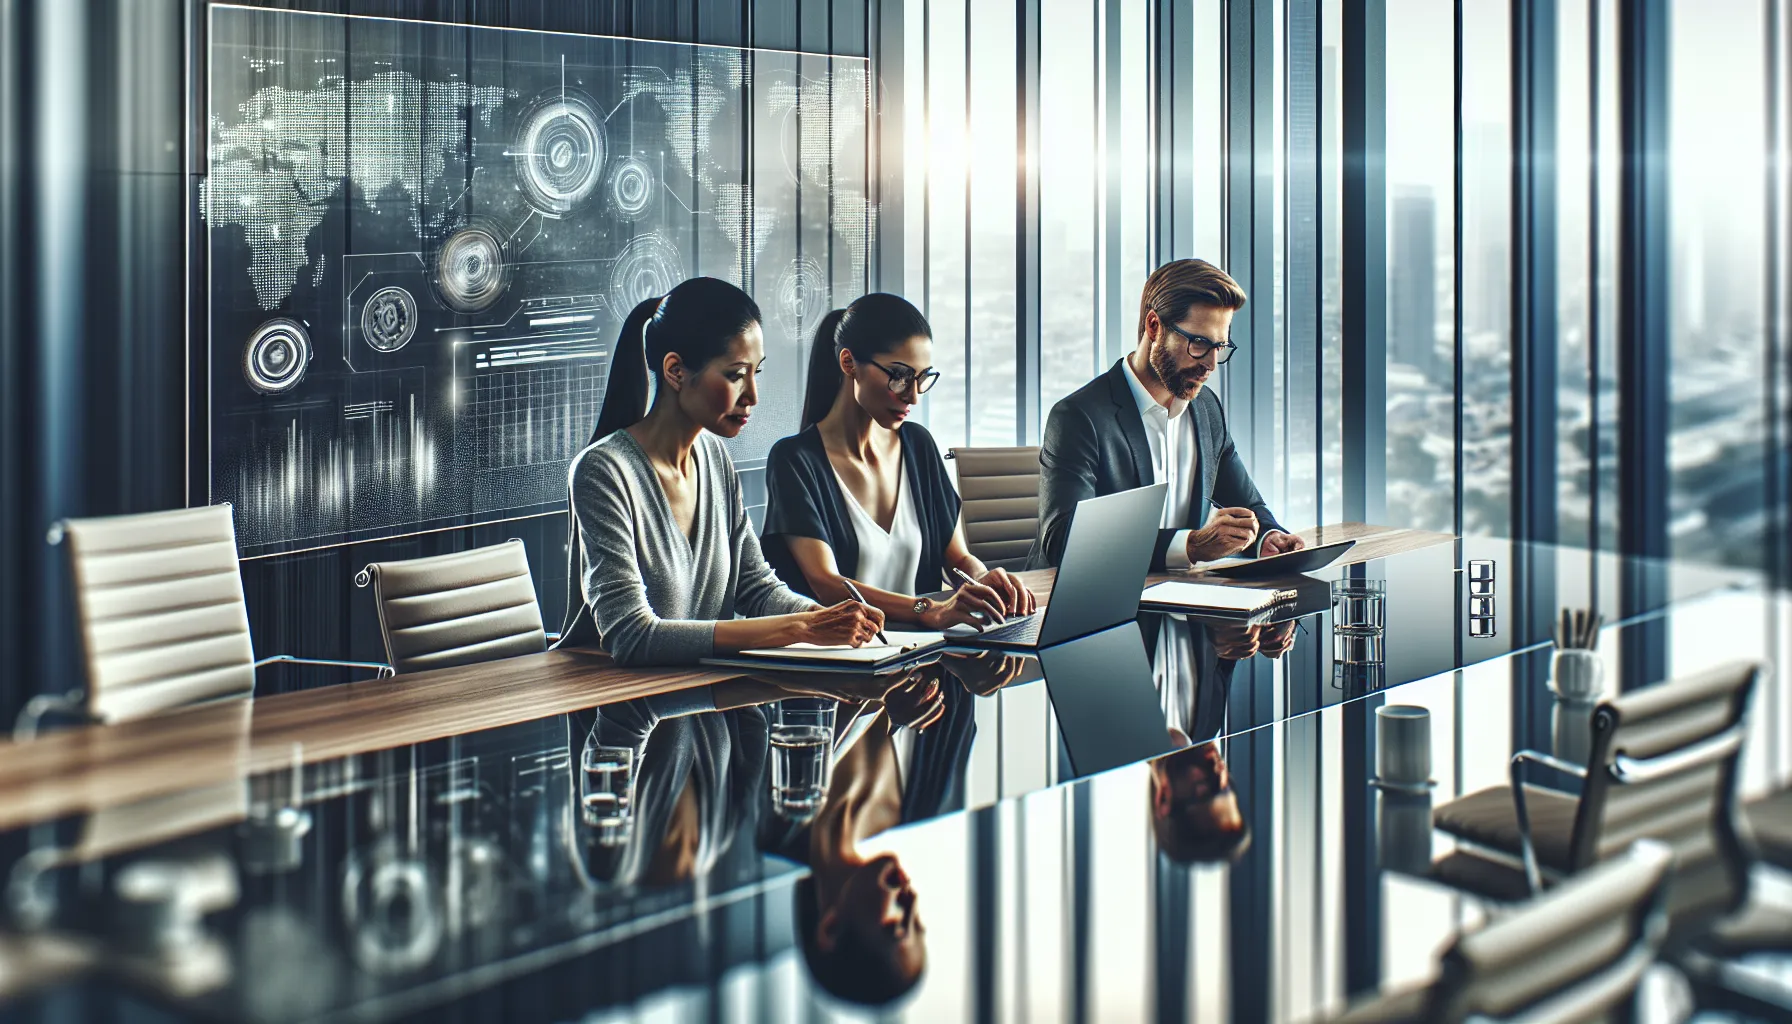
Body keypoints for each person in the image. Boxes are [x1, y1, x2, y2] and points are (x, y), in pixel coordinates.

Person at [560, 277, 883, 666]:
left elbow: (757, 588)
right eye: (735, 375)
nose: (752, 397)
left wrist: (820, 616)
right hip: (621, 710)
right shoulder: (603, 472)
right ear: (676, 371)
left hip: (704, 701)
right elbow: (632, 635)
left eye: (755, 373)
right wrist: (799, 630)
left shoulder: (713, 456)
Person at [762, 293, 1037, 631]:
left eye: (922, 378)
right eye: (900, 375)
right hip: (841, 663)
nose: (913, 396)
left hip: (924, 659)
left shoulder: (918, 445)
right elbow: (827, 584)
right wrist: (928, 609)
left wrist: (983, 580)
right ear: (848, 363)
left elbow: (958, 560)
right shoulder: (795, 461)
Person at [1029, 259, 1306, 571]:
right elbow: (1061, 541)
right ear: (1154, 326)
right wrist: (1190, 546)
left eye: (1220, 346)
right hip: (1099, 610)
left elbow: (1247, 504)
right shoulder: (1079, 418)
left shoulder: (1206, 409)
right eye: (1199, 343)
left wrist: (1268, 535)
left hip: (1186, 604)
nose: (1210, 364)